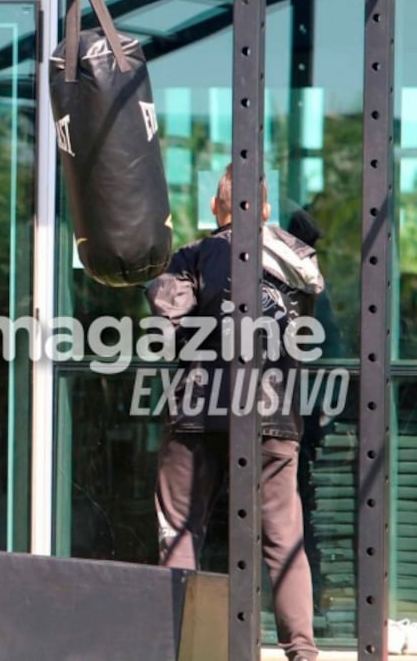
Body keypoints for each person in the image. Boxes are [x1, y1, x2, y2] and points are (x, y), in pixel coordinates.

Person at [145, 163, 323, 661]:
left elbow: (166, 326)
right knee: (284, 534)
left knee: (180, 526)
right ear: (264, 209)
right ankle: (302, 650)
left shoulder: (194, 255)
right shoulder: (299, 259)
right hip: (275, 411)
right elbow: (307, 333)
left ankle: (181, 645)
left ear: (213, 208)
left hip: (200, 408)